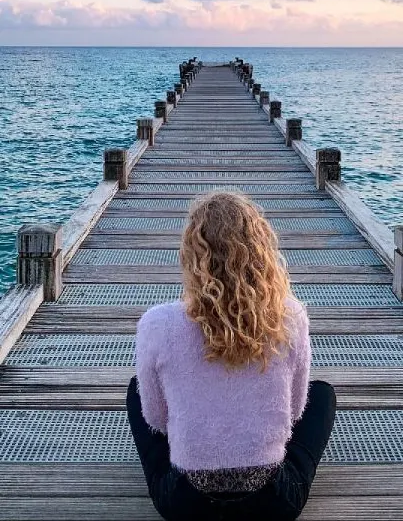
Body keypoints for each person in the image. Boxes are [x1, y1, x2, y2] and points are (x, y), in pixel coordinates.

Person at [126, 191, 336, 521]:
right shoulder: (290, 316)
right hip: (273, 504)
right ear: (262, 252)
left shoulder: (157, 323)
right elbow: (294, 413)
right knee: (323, 395)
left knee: (135, 390)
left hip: (185, 505)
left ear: (191, 257)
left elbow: (155, 420)